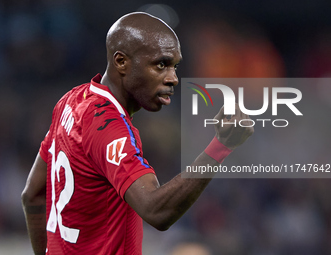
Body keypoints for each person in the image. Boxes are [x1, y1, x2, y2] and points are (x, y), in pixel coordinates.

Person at [21, 12, 253, 255]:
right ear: (121, 62)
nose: (173, 78)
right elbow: (156, 211)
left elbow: (33, 195)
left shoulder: (71, 101)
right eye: (160, 64)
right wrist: (221, 146)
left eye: (175, 66)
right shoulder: (109, 128)